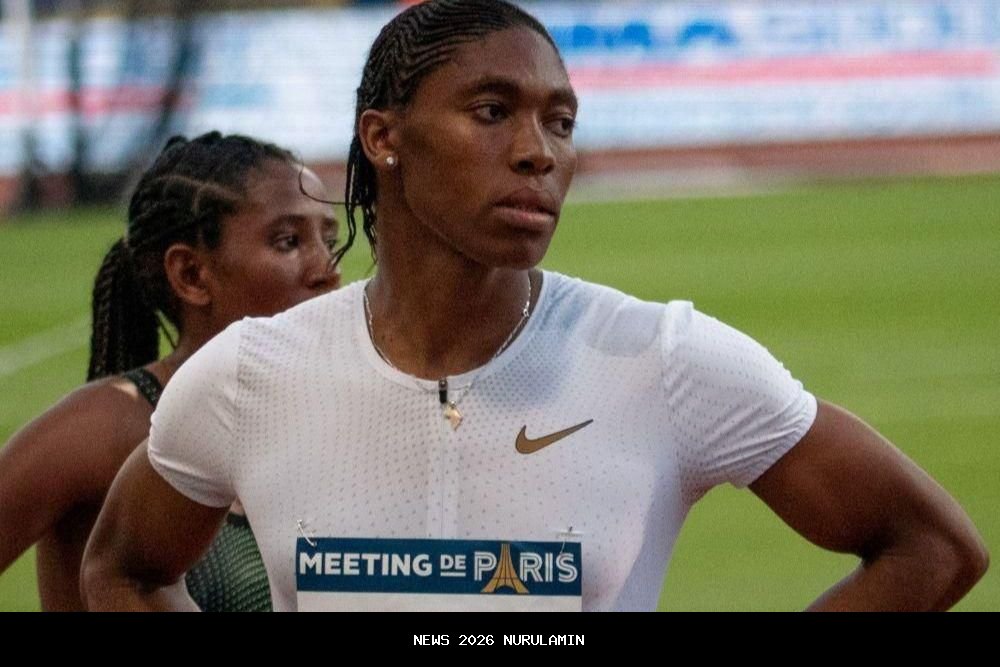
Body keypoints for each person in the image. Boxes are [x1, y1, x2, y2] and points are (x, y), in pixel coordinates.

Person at [82, 0, 987, 612]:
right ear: (383, 136)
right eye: (492, 111)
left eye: (561, 122)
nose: (538, 152)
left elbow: (933, 547)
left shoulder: (662, 358)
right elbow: (122, 568)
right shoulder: (250, 375)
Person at [0, 132, 341, 611]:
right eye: (289, 242)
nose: (327, 269)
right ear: (191, 275)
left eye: (330, 241)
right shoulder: (106, 428)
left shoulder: (331, 419)